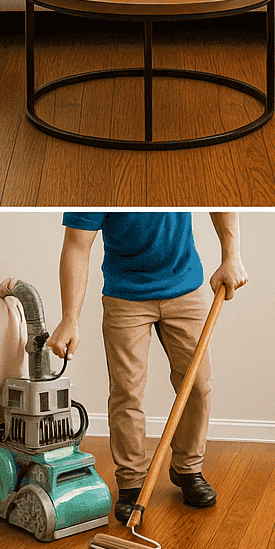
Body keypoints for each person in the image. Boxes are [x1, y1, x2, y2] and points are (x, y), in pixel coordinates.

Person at [49, 211, 247, 523]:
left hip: (184, 288)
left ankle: (187, 469)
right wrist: (69, 317)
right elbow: (76, 244)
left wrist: (231, 255)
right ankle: (131, 484)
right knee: (127, 392)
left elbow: (219, 199)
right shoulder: (98, 182)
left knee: (197, 385)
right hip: (125, 297)